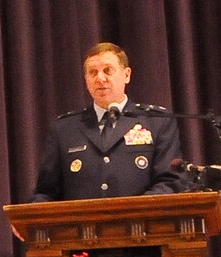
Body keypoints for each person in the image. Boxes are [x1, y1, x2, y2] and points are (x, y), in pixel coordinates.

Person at [31, 42, 184, 201]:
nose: (100, 78)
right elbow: (46, 192)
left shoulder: (156, 121)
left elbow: (170, 182)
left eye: (108, 70)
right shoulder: (64, 129)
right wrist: (30, 216)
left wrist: (134, 211)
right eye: (93, 72)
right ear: (86, 79)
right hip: (83, 223)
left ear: (127, 75)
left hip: (141, 222)